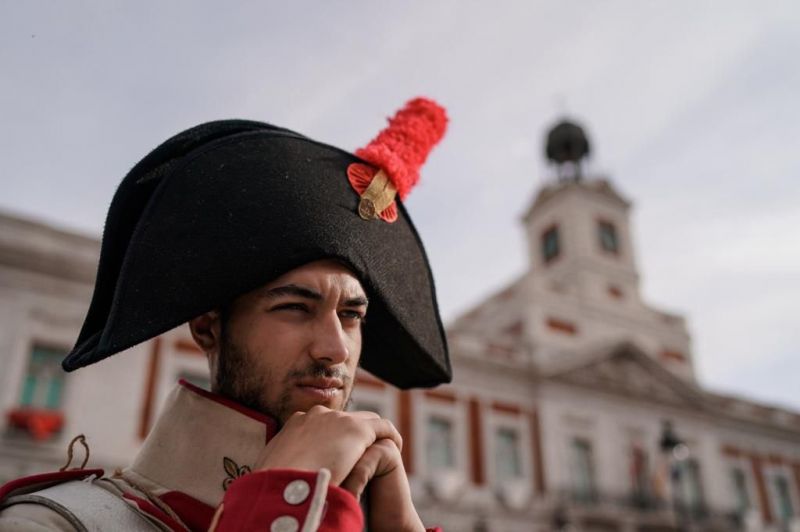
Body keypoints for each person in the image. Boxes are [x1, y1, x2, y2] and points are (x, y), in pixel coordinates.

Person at [0, 98, 451, 531]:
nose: (335, 348)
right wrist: (280, 501)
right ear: (207, 327)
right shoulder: (50, 523)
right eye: (295, 307)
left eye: (351, 316)